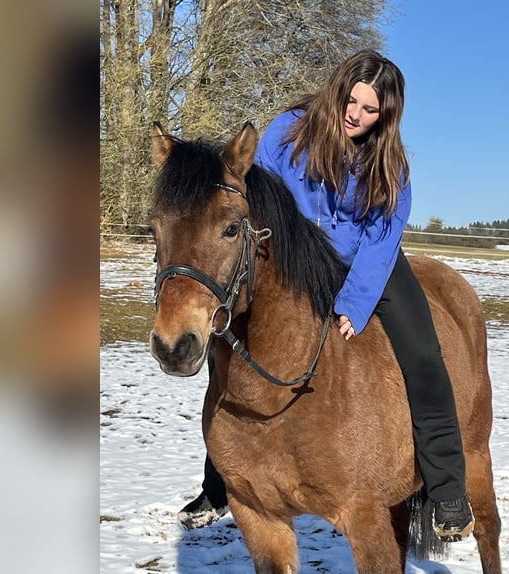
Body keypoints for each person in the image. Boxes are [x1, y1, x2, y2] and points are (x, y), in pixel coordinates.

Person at [180, 49, 474, 542]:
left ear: (386, 116)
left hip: (364, 261)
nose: (355, 113)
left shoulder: (390, 166)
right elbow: (254, 199)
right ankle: (218, 481)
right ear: (338, 89)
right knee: (227, 338)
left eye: (370, 109)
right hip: (294, 254)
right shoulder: (287, 131)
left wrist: (355, 305)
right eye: (351, 99)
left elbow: (382, 243)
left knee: (424, 356)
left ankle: (448, 487)